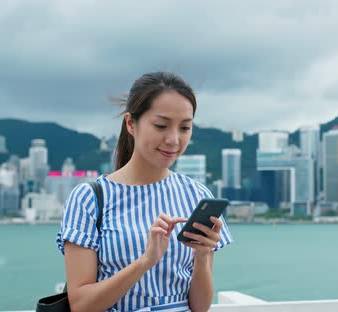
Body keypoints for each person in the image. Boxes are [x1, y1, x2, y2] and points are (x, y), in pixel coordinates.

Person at [56, 71, 232, 312]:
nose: (173, 139)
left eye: (185, 128)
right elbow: (81, 304)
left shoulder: (197, 195)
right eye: (161, 125)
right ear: (131, 123)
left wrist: (202, 256)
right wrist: (145, 262)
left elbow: (200, 307)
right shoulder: (90, 198)